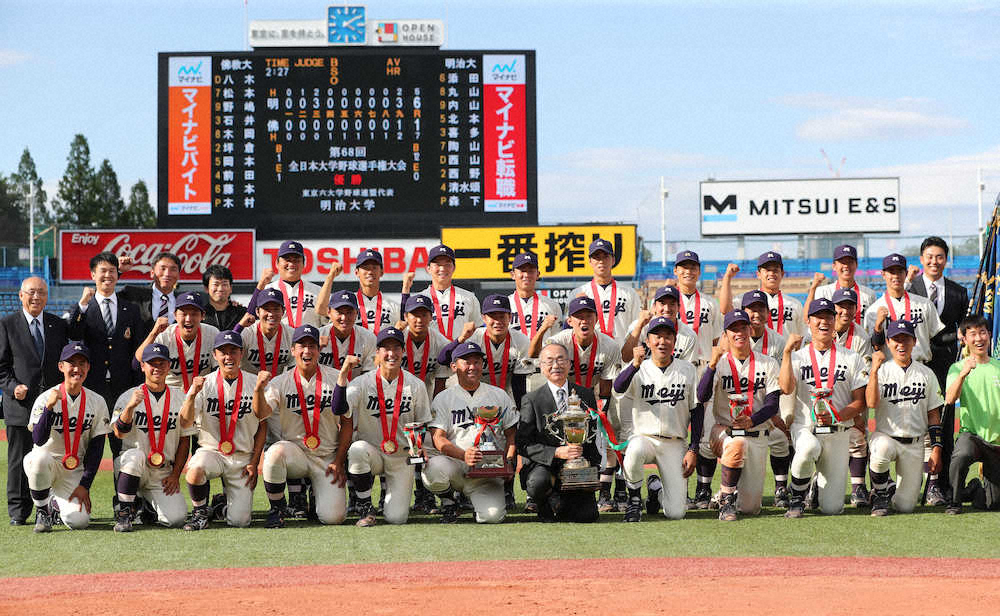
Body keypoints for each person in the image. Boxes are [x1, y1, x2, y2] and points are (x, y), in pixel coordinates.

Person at [864, 252, 946, 504]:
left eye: (900, 271)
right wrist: (878, 328)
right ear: (884, 275)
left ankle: (927, 486)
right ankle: (879, 488)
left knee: (906, 505)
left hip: (920, 367)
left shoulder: (923, 303)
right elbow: (875, 346)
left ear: (905, 274)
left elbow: (936, 338)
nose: (896, 275)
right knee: (886, 435)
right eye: (891, 271)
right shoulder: (874, 308)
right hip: (888, 369)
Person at [257, 325, 354, 527]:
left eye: (312, 346)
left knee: (333, 518)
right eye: (302, 345)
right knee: (274, 453)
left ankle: (315, 492)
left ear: (319, 350)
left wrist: (339, 459)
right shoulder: (280, 381)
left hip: (326, 457)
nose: (307, 351)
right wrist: (258, 389)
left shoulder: (336, 377)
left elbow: (347, 423)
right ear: (292, 350)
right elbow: (262, 413)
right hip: (296, 454)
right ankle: (277, 509)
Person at [781, 299, 868, 517]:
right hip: (806, 427)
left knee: (832, 509)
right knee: (808, 448)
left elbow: (860, 402)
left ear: (835, 320)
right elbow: (785, 387)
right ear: (808, 321)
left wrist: (836, 416)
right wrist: (786, 353)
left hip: (837, 431)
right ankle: (797, 497)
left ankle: (814, 487)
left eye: (829, 316)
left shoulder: (851, 357)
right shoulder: (798, 356)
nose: (824, 322)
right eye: (818, 317)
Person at [340, 327, 432, 527]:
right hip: (372, 451)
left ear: (403, 352)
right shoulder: (362, 382)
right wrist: (342, 378)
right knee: (356, 450)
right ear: (378, 353)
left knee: (396, 518)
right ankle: (365, 506)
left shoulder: (415, 385)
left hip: (401, 457)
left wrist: (418, 451)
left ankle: (388, 503)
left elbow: (421, 422)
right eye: (386, 348)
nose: (392, 353)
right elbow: (340, 408)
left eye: (396, 348)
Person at [613, 316, 702, 522]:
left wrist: (693, 449)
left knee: (676, 513)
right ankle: (634, 500)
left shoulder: (687, 369)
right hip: (645, 438)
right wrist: (634, 365)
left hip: (674, 442)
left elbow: (696, 410)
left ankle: (655, 490)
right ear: (648, 340)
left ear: (674, 340)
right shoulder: (638, 367)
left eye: (668, 337)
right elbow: (618, 387)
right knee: (634, 450)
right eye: (657, 336)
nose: (662, 341)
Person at [179, 331, 269, 530]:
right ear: (214, 355)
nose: (228, 357)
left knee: (240, 521)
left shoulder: (255, 382)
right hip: (212, 452)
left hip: (242, 457)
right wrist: (192, 395)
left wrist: (255, 463)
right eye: (223, 352)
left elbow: (263, 424)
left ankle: (220, 507)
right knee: (195, 470)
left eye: (233, 351)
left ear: (241, 353)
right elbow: (185, 424)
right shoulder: (204, 383)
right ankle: (200, 513)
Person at [698, 310, 782, 521]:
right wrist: (711, 365)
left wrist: (752, 419)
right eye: (733, 329)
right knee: (737, 444)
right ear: (725, 335)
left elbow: (773, 405)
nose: (739, 333)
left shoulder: (768, 363)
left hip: (757, 433)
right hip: (725, 431)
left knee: (750, 508)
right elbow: (701, 395)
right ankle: (727, 500)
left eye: (743, 327)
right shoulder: (720, 362)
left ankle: (721, 495)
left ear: (749, 329)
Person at [423, 341, 517, 523]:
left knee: (492, 517)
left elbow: (511, 434)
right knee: (433, 469)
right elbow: (438, 439)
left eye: (477, 362)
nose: (472, 367)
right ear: (453, 366)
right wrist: (463, 455)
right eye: (466, 362)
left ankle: (475, 504)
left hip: (488, 471)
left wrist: (508, 461)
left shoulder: (499, 395)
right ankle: (449, 501)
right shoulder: (444, 398)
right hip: (455, 467)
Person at [0, 276, 68, 525]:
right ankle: (18, 511)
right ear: (21, 295)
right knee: (18, 460)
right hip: (20, 405)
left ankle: (51, 508)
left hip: (52, 407)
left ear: (47, 297)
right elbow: (1, 367)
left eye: (41, 292)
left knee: (51, 456)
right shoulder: (6, 324)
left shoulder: (57, 325)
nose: (36, 297)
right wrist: (12, 386)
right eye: (31, 292)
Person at [543, 296, 622, 511]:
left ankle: (605, 491)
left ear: (596, 319)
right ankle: (549, 491)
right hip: (562, 399)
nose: (583, 321)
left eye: (588, 316)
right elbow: (548, 372)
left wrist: (598, 414)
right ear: (570, 321)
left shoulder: (609, 345)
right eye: (579, 317)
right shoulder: (559, 342)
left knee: (606, 436)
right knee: (555, 439)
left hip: (593, 399)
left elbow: (606, 387)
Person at [906, 237, 969, 500]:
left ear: (946, 259)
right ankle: (909, 483)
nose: (934, 261)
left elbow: (964, 330)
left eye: (939, 256)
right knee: (910, 423)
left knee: (943, 424)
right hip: (914, 364)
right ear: (922, 259)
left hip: (945, 367)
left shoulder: (958, 292)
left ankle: (942, 485)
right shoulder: (910, 289)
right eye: (929, 257)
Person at [23, 343, 110, 532]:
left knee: (79, 522)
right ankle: (43, 510)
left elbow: (97, 449)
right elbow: (38, 439)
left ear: (88, 368)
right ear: (61, 367)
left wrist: (84, 485)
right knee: (38, 458)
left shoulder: (97, 401)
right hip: (47, 463)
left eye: (82, 363)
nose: (77, 369)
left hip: (73, 468)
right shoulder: (46, 397)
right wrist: (49, 408)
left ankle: (54, 502)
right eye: (71, 363)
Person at [109, 343, 194, 531]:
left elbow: (185, 439)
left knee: (177, 519)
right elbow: (119, 432)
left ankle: (146, 506)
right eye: (152, 363)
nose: (157, 368)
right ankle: (125, 512)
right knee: (135, 456)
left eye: (161, 363)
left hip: (162, 472)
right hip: (133, 467)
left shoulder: (180, 398)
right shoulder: (128, 396)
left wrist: (175, 474)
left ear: (169, 366)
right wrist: (130, 407)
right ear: (142, 366)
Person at [865, 320, 944, 516]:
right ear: (889, 343)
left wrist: (936, 450)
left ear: (914, 341)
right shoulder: (881, 370)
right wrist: (874, 371)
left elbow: (934, 415)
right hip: (886, 437)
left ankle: (892, 491)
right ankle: (880, 493)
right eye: (896, 340)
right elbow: (871, 403)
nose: (901, 344)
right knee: (882, 449)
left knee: (905, 506)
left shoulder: (926, 373)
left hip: (915, 444)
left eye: (906, 339)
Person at [517, 342, 601, 522]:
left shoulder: (585, 395)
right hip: (545, 466)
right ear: (541, 366)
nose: (556, 365)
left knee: (587, 516)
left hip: (577, 465)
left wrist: (592, 466)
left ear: (570, 363)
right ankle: (544, 501)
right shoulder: (531, 400)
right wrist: (556, 452)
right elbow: (523, 444)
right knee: (537, 482)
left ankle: (562, 502)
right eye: (549, 361)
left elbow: (594, 434)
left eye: (561, 359)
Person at [67, 251, 143, 407]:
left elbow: (137, 347)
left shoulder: (131, 309)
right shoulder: (83, 308)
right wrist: (82, 304)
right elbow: (74, 333)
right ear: (93, 275)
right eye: (103, 271)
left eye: (112, 271)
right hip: (92, 384)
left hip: (124, 385)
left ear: (117, 274)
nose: (108, 275)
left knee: (121, 430)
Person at [740, 290, 792, 508]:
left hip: (768, 399)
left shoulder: (778, 341)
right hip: (739, 401)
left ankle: (781, 487)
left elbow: (780, 382)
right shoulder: (734, 337)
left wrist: (775, 413)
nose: (757, 313)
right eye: (752, 309)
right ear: (743, 311)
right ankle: (721, 490)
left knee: (780, 437)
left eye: (761, 309)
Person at [944, 315, 1000, 514]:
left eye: (982, 332)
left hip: (996, 441)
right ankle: (955, 500)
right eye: (973, 334)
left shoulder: (998, 366)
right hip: (972, 436)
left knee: (994, 504)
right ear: (964, 338)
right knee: (961, 455)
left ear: (989, 335)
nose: (979, 339)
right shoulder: (957, 368)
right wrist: (963, 374)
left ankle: (974, 488)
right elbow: (950, 399)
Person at [828, 288, 874, 506]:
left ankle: (858, 488)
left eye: (850, 306)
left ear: (856, 309)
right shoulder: (818, 329)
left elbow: (863, 378)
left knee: (857, 439)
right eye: (841, 306)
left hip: (850, 395)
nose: (845, 311)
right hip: (821, 398)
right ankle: (810, 487)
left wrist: (857, 412)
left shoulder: (861, 337)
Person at [136, 292, 220, 391]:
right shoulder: (164, 335)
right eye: (184, 314)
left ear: (203, 316)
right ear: (175, 315)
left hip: (203, 392)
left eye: (194, 314)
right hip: (171, 394)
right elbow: (137, 362)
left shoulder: (212, 333)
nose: (188, 319)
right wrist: (153, 334)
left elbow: (219, 370)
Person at [569, 238, 641, 347]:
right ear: (590, 261)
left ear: (613, 260)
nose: (601, 261)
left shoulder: (629, 293)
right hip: (591, 357)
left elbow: (637, 326)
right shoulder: (578, 293)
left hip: (622, 356)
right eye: (597, 257)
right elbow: (568, 328)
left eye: (605, 257)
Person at [718, 251, 804, 338]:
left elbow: (801, 335)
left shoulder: (795, 304)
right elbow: (725, 309)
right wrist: (727, 277)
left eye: (775, 270)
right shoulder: (746, 301)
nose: (771, 273)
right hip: (754, 350)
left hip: (785, 350)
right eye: (767, 270)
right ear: (758, 274)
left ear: (782, 274)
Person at [251, 240, 323, 328]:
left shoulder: (318, 291)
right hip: (278, 341)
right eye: (287, 260)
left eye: (296, 260)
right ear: (277, 263)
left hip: (307, 340)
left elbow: (326, 323)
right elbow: (251, 317)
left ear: (304, 264)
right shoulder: (267, 290)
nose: (291, 264)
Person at [620, 286, 698, 366]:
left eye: (672, 304)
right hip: (642, 377)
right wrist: (639, 327)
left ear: (678, 307)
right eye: (662, 303)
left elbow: (689, 370)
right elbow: (626, 358)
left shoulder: (689, 335)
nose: (667, 309)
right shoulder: (639, 326)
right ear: (654, 306)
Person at [418, 244, 481, 341]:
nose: (442, 269)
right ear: (428, 268)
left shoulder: (468, 297)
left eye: (447, 264)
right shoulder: (420, 298)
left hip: (461, 353)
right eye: (437, 264)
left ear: (454, 268)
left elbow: (478, 330)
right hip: (431, 353)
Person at [672, 250, 723, 366]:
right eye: (684, 267)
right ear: (675, 271)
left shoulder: (711, 303)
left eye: (693, 268)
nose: (688, 272)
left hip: (704, 364)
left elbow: (716, 339)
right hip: (677, 364)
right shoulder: (667, 303)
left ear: (699, 272)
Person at [807, 244, 877, 326]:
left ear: (856, 265)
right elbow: (807, 318)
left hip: (860, 338)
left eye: (850, 262)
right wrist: (813, 288)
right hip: (833, 338)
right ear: (834, 266)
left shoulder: (869, 294)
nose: (846, 266)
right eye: (842, 262)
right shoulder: (823, 291)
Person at [118, 251, 181, 334]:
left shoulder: (184, 300)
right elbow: (105, 298)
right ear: (152, 273)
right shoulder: (132, 294)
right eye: (163, 268)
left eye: (173, 269)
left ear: (178, 275)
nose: (167, 274)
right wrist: (117, 270)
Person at [238, 288, 294, 376]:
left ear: (283, 311)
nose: (271, 314)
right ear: (257, 311)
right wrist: (240, 326)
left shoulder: (291, 334)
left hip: (278, 385)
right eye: (266, 309)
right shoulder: (247, 332)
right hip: (247, 385)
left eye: (276, 309)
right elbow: (228, 349)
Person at [318, 290, 376, 376]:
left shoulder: (368, 338)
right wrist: (318, 349)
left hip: (356, 387)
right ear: (329, 312)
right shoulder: (318, 335)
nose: (344, 318)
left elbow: (369, 376)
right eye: (339, 312)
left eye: (349, 312)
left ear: (356, 313)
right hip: (323, 387)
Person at [202, 264, 246, 332]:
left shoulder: (242, 313)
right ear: (206, 288)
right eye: (216, 284)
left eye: (224, 284)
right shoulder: (200, 314)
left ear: (231, 288)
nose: (220, 289)